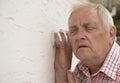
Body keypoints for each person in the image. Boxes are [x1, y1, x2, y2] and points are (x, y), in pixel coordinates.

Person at [54, 2, 120, 83]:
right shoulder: (81, 70)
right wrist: (62, 73)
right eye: (73, 31)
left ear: (111, 34)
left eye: (89, 28)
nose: (79, 36)